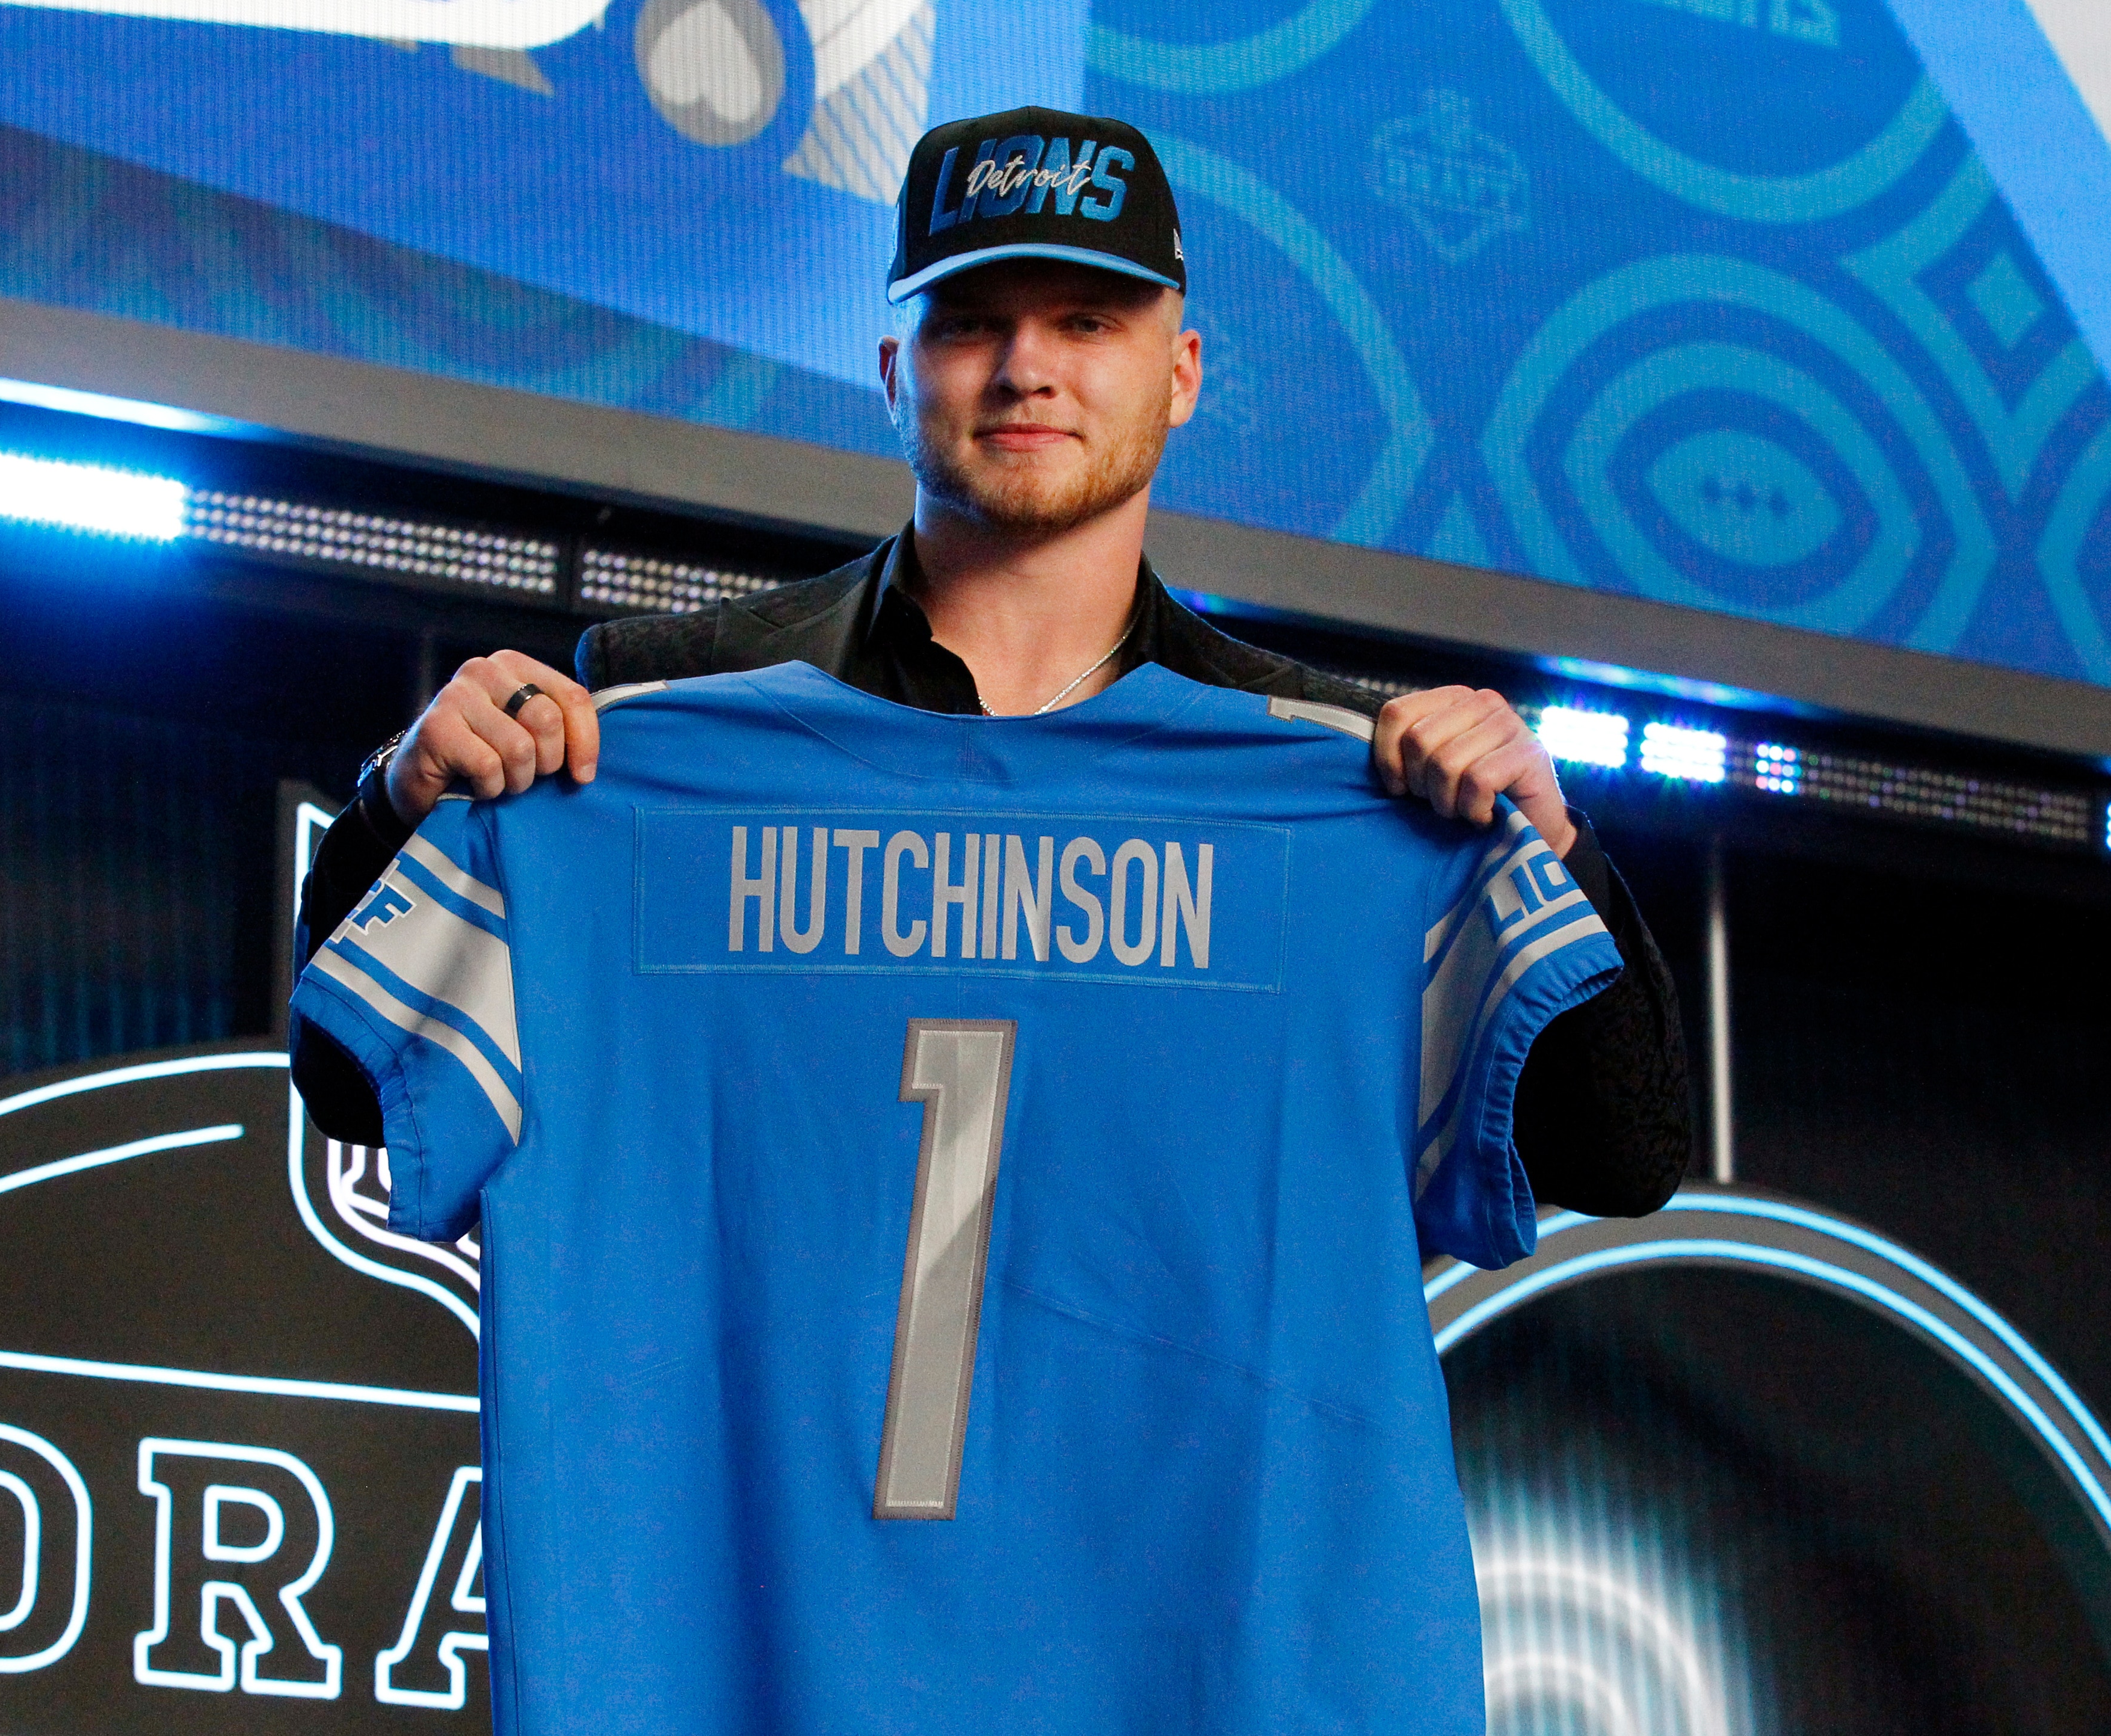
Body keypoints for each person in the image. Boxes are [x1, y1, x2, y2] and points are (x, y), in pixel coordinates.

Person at [294, 105, 1686, 1222]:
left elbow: (1616, 1164)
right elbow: (354, 1089)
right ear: (897, 369)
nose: (1027, 368)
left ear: (1181, 372)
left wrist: (1549, 855)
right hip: (761, 1554)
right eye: (971, 321)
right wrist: (400, 804)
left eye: (1087, 322)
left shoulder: (1340, 774)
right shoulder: (657, 713)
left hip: (1159, 1563)